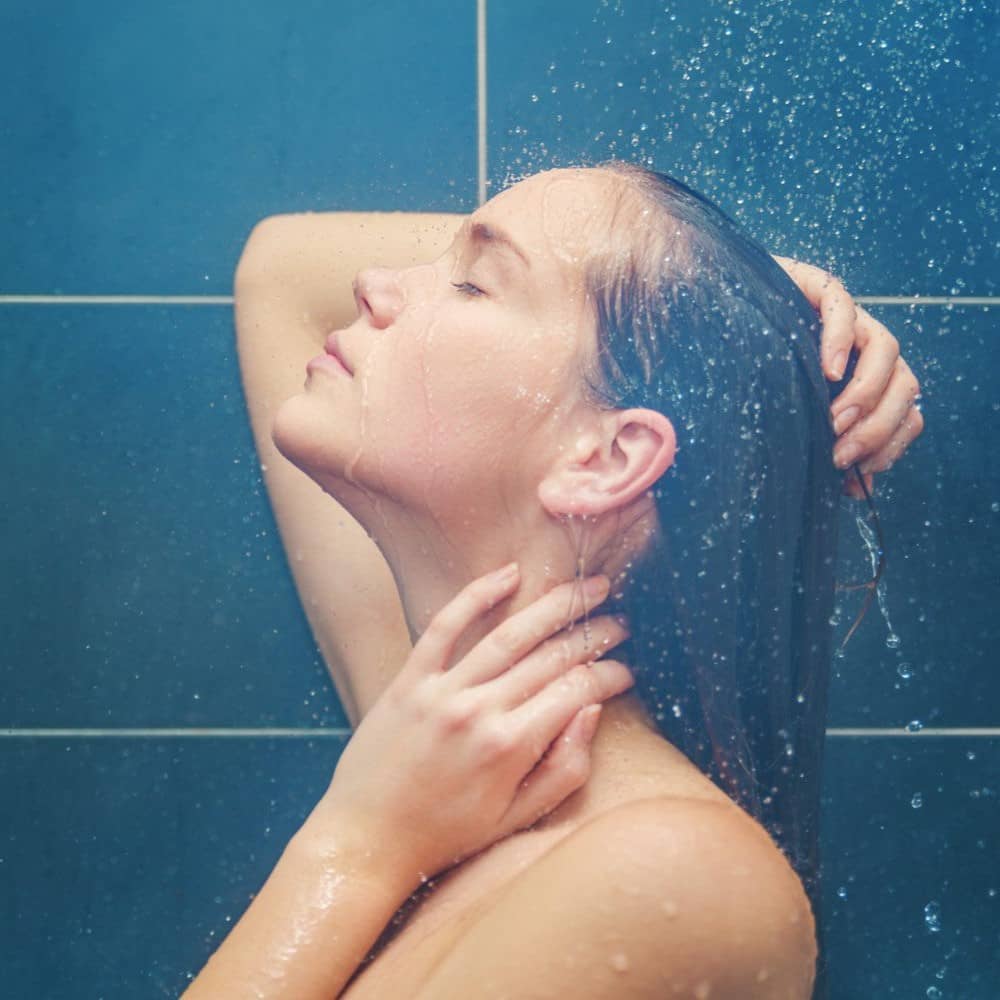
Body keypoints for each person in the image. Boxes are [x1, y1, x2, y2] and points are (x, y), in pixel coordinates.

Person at [184, 163, 924, 1000]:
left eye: (469, 284)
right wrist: (727, 304)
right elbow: (283, 269)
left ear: (608, 458)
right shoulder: (445, 751)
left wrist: (359, 842)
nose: (372, 285)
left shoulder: (667, 873)